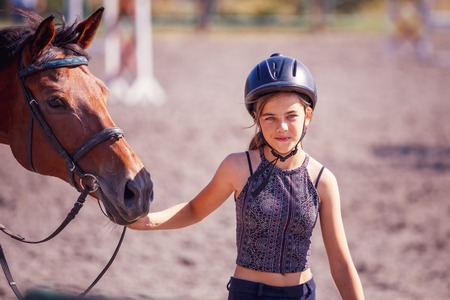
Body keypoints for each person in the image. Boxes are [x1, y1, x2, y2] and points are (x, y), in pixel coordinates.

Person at [129, 53, 365, 300]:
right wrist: (147, 221)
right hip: (249, 293)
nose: (281, 127)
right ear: (257, 119)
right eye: (270, 118)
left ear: (308, 117)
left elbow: (341, 263)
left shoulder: (323, 180)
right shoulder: (238, 167)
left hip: (302, 295)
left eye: (291, 116)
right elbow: (194, 209)